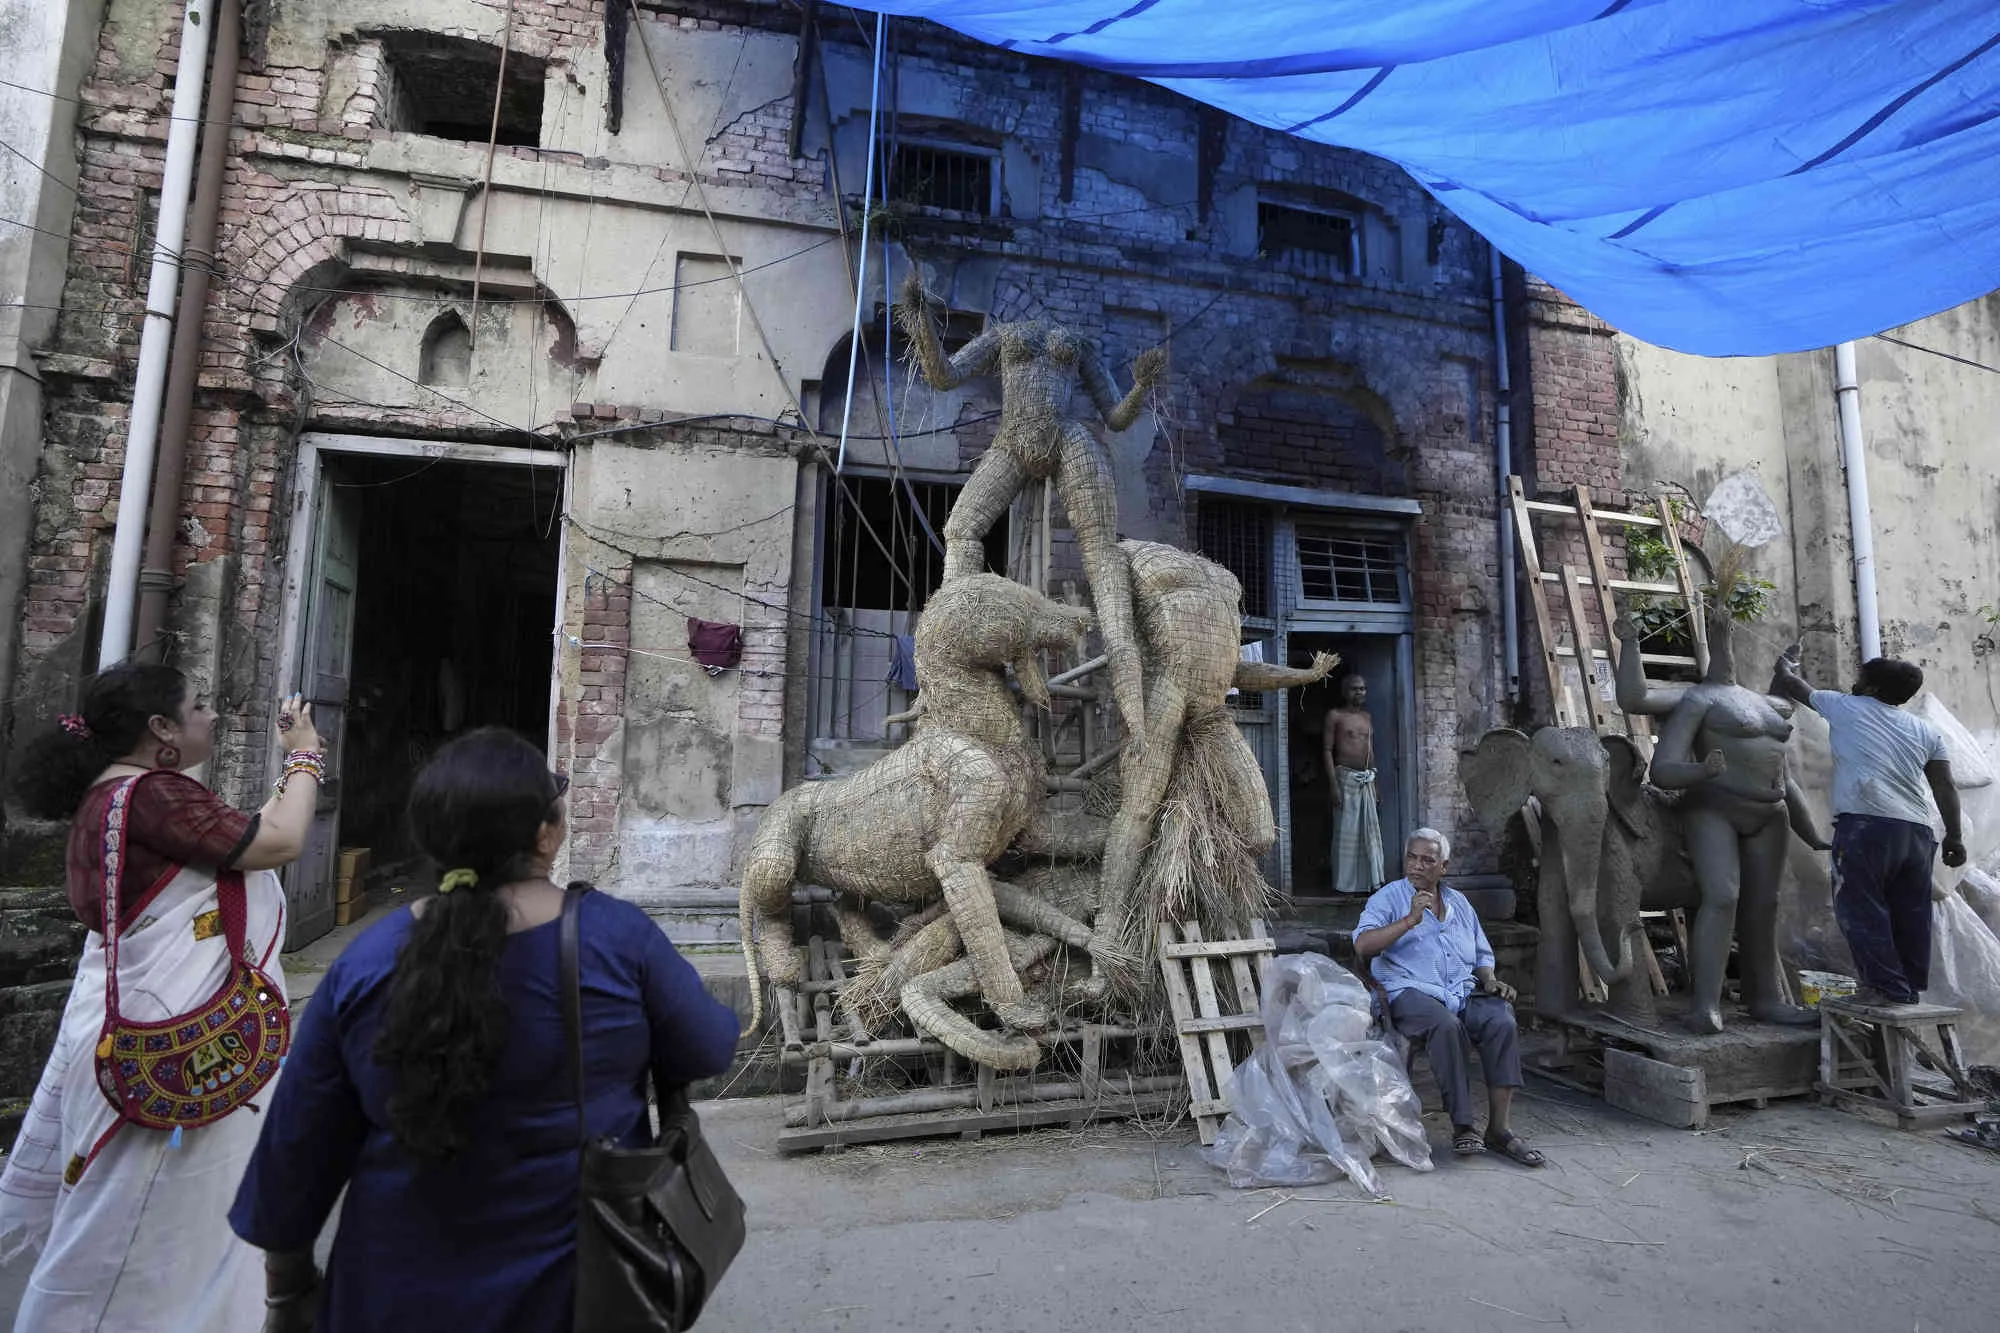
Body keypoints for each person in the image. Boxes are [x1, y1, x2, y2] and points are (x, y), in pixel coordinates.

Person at [229, 727, 742, 1331]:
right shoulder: (617, 941)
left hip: (389, 1297)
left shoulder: (366, 964)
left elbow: (295, 1153)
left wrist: (287, 1291)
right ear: (546, 835)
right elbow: (710, 1046)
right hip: (576, 1296)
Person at [0, 664, 324, 1330]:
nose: (212, 714)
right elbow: (281, 841)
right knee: (135, 1232)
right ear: (161, 729)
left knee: (140, 1221)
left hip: (132, 1023)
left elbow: (241, 843)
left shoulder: (116, 794)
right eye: (198, 705)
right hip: (171, 1036)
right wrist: (306, 756)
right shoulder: (154, 796)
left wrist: (286, 773)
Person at [1770, 649, 1964, 1005]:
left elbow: (1793, 686)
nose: (1853, 684)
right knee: (1911, 912)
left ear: (1872, 688)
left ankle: (1884, 988)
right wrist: (1955, 836)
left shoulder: (1846, 706)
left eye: (1860, 679)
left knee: (1861, 907)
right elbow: (1944, 785)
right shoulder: (1927, 731)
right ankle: (1906, 988)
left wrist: (1784, 665)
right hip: (1917, 832)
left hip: (1867, 825)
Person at [1354, 829, 1544, 1167]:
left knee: (1501, 1020)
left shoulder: (1460, 904)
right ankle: (1463, 1125)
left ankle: (1499, 1130)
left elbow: (1481, 954)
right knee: (1446, 1025)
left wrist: (1490, 980)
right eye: (1412, 857)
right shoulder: (1388, 898)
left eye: (1427, 860)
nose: (1417, 865)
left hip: (1459, 990)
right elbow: (1362, 945)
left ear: (1443, 867)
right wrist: (1410, 920)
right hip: (1407, 991)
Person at [1323, 673, 1383, 895]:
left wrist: (1376, 783)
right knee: (1346, 832)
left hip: (1366, 779)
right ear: (1345, 692)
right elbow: (1327, 750)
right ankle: (1344, 886)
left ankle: (1369, 883)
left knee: (1369, 832)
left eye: (1363, 688)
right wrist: (1333, 785)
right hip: (1345, 779)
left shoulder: (1367, 717)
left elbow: (1370, 751)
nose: (1360, 692)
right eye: (1355, 689)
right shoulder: (1335, 716)